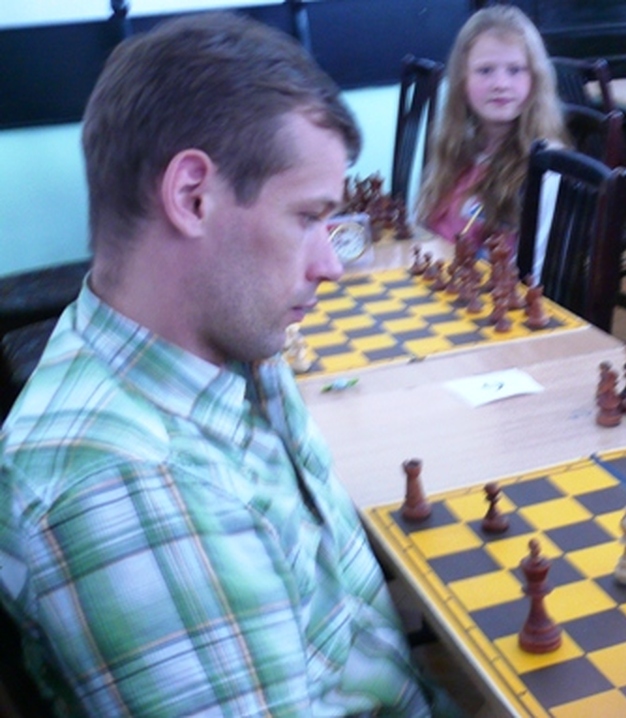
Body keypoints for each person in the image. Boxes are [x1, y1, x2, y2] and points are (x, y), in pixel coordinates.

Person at [0, 14, 434, 716]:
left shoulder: (220, 341)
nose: (332, 265)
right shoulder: (127, 486)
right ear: (192, 197)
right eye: (307, 217)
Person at [417, 6, 569, 252]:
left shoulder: (546, 169)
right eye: (485, 70)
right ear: (462, 80)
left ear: (535, 79)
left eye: (515, 70)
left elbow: (537, 269)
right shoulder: (460, 147)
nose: (501, 84)